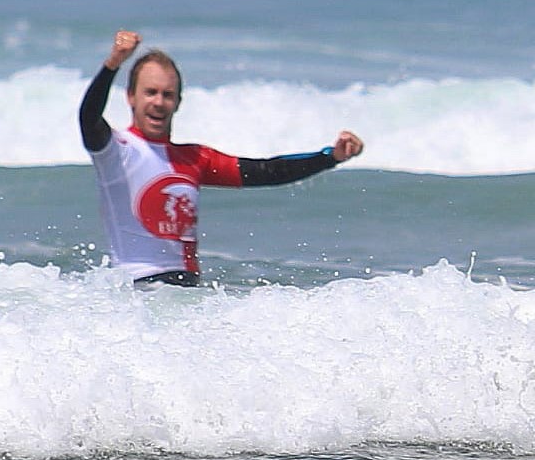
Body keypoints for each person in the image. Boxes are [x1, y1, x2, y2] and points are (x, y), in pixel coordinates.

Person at [78, 30, 365, 286]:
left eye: (168, 95)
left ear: (178, 102)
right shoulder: (116, 150)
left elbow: (267, 171)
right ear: (131, 97)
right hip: (139, 290)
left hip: (188, 293)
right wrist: (113, 64)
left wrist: (329, 157)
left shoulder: (193, 158)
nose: (158, 102)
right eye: (150, 92)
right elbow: (88, 117)